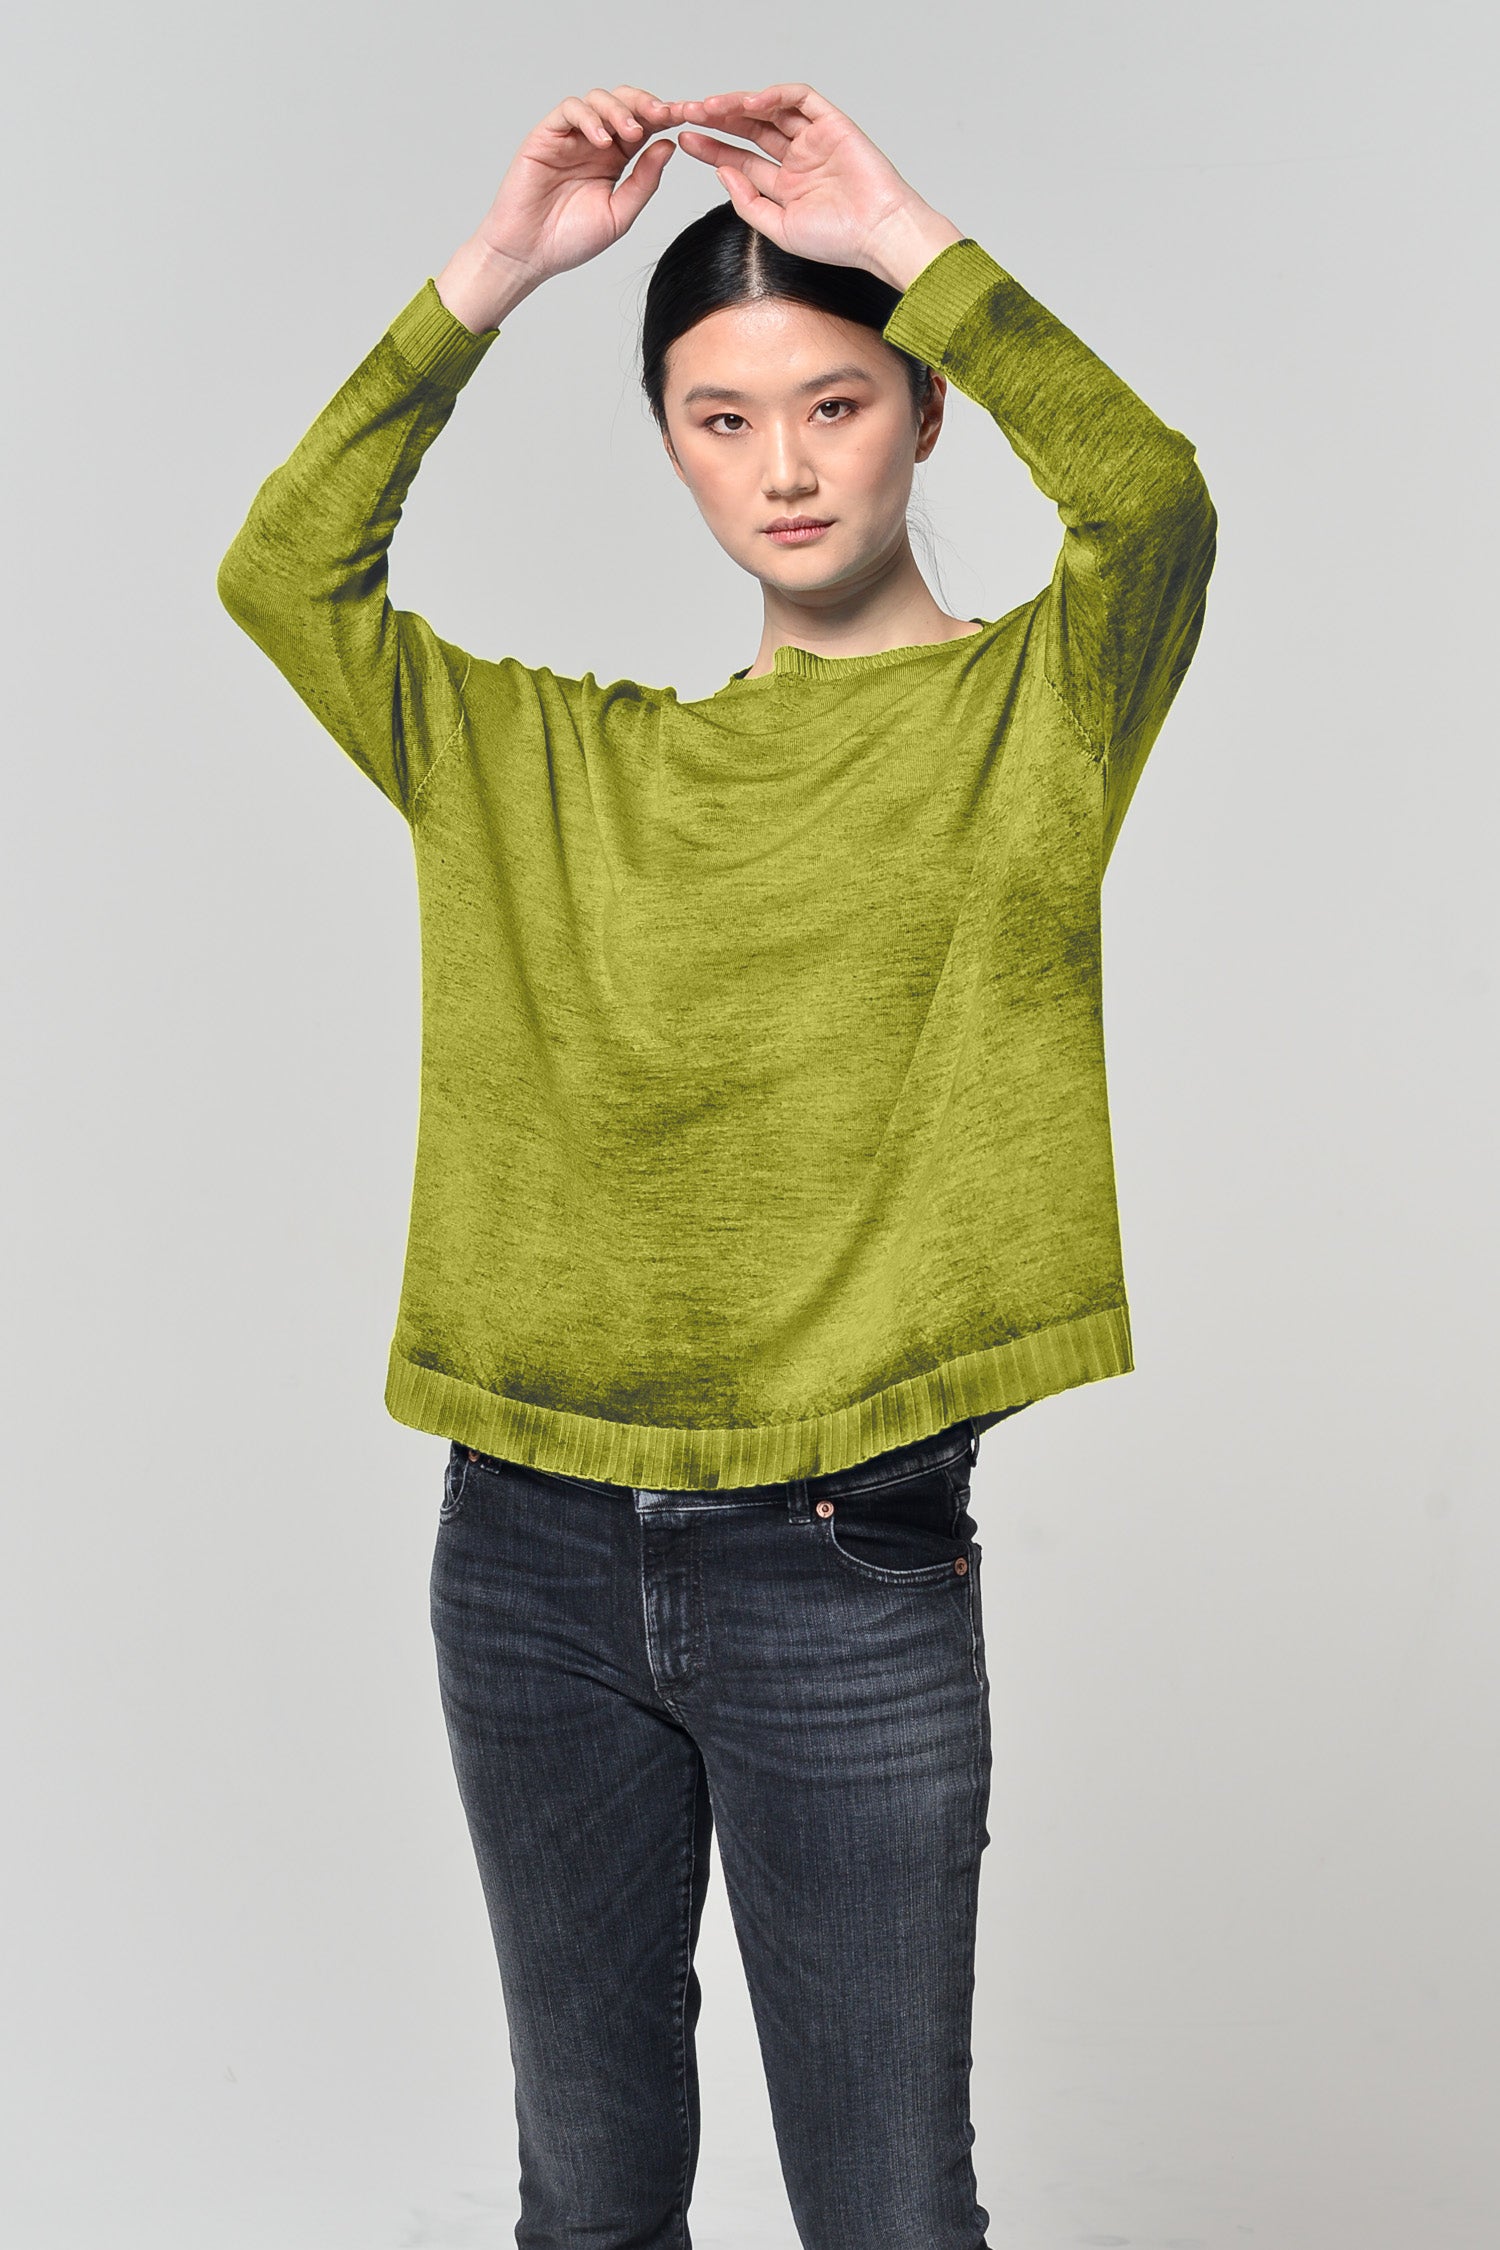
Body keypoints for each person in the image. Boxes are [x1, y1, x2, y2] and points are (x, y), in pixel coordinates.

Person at [217, 79, 1216, 2250]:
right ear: (669, 443)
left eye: (837, 402)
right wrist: (500, 269)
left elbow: (1151, 498)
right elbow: (282, 572)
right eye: (721, 418)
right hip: (526, 1544)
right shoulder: (548, 766)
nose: (785, 465)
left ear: (925, 413)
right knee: (588, 2199)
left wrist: (905, 230)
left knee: (886, 2208)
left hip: (839, 1554)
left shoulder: (1030, 720)